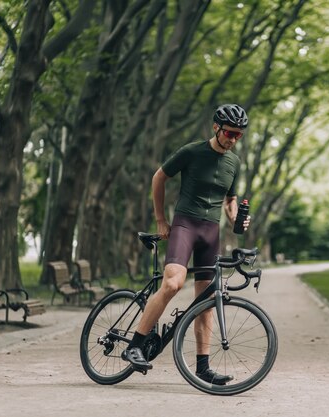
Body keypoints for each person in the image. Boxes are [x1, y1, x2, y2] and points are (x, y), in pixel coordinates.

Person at [121, 104, 251, 385]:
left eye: (238, 136)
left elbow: (229, 199)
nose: (232, 140)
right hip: (185, 225)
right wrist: (160, 219)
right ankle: (135, 345)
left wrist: (235, 219)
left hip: (210, 232)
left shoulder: (234, 163)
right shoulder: (192, 151)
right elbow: (159, 177)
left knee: (205, 302)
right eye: (229, 133)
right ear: (216, 127)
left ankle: (203, 368)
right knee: (172, 283)